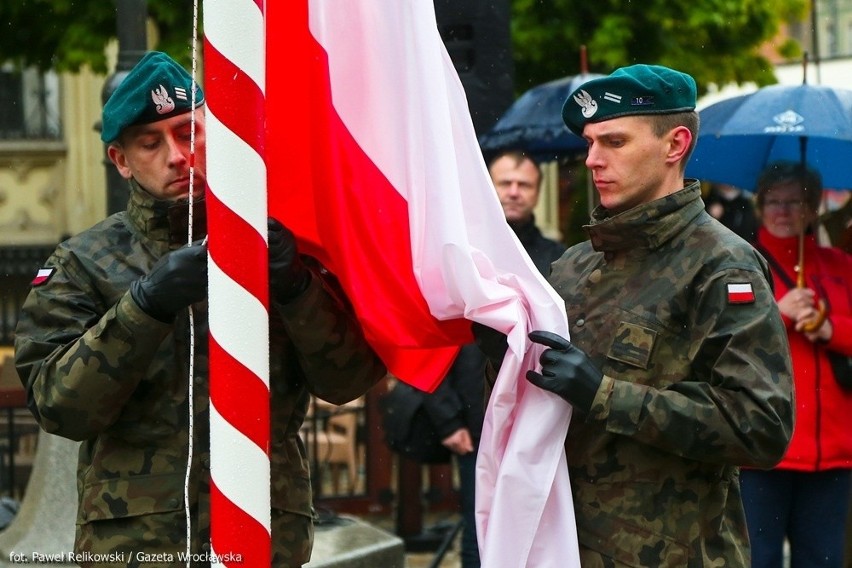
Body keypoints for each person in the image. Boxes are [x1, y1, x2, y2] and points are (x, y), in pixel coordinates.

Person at [13, 51, 386, 567]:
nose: (178, 156)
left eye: (189, 133)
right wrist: (145, 306)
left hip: (265, 532)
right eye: (151, 143)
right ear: (120, 160)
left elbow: (348, 381)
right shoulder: (82, 263)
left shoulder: (279, 241)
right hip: (137, 543)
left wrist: (296, 286)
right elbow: (60, 406)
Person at [478, 64, 794, 565]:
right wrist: (503, 354)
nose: (592, 160)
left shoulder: (721, 264)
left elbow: (762, 427)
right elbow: (540, 410)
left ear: (675, 145)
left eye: (615, 142)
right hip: (564, 547)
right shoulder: (576, 264)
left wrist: (603, 395)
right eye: (589, 143)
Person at [422, 149, 565, 568]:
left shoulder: (559, 258)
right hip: (474, 417)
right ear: (490, 186)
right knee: (479, 532)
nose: (515, 192)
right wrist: (446, 417)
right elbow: (435, 333)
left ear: (537, 192)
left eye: (525, 185)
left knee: (535, 531)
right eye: (506, 183)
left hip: (537, 417)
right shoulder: (462, 252)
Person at [740, 161, 852, 568]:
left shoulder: (840, 265)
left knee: (822, 560)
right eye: (773, 201)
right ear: (760, 205)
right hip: (766, 449)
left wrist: (828, 327)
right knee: (758, 560)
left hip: (832, 453)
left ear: (814, 208)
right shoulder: (742, 262)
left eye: (794, 201)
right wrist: (779, 313)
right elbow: (727, 339)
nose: (783, 211)